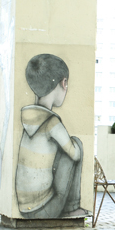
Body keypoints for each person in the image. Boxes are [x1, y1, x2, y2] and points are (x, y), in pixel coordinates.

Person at [15, 53, 90, 219]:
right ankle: (72, 207)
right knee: (75, 145)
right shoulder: (51, 122)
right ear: (63, 83)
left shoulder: (28, 118)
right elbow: (75, 154)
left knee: (57, 149)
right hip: (44, 210)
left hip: (24, 209)